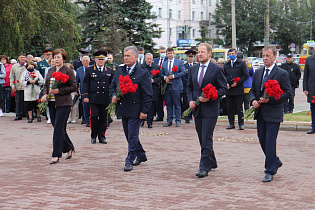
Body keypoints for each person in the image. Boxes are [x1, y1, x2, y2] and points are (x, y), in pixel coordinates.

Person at [249, 45, 291, 182]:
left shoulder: (281, 73)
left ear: (274, 56)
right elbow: (253, 91)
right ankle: (275, 160)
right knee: (262, 140)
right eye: (263, 55)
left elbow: (288, 93)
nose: (265, 58)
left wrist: (271, 99)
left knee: (270, 141)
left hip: (273, 112)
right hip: (260, 112)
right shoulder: (258, 72)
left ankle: (269, 170)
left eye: (268, 56)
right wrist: (253, 100)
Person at [187, 43, 227, 178]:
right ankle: (212, 160)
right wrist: (191, 100)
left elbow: (223, 88)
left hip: (210, 110)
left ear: (209, 54)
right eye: (198, 52)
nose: (199, 54)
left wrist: (210, 97)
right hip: (197, 109)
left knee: (206, 137)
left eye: (202, 52)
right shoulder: (193, 69)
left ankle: (204, 167)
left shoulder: (216, 69)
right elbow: (189, 88)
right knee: (201, 137)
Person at [110, 46, 153, 172]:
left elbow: (147, 94)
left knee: (132, 135)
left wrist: (144, 111)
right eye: (124, 56)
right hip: (123, 108)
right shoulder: (120, 70)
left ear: (135, 57)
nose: (126, 58)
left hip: (136, 109)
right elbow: (112, 86)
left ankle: (130, 159)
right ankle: (141, 154)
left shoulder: (143, 72)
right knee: (129, 135)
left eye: (128, 56)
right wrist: (113, 96)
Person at [41, 49, 77, 164]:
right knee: (57, 126)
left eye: (58, 57)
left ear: (63, 58)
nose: (56, 60)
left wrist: (59, 91)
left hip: (64, 103)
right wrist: (45, 94)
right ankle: (69, 147)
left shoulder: (68, 70)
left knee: (58, 128)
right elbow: (46, 85)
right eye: (55, 57)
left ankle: (56, 154)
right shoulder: (50, 70)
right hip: (51, 102)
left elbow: (73, 87)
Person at [82, 49, 114, 144]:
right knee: (94, 116)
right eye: (99, 59)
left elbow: (112, 84)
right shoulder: (89, 70)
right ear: (95, 60)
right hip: (93, 97)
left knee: (104, 117)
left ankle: (102, 136)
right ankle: (93, 135)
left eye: (102, 59)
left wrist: (113, 95)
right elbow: (85, 84)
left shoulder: (110, 70)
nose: (101, 61)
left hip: (104, 97)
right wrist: (85, 95)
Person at [223, 48, 249, 130]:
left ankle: (241, 124)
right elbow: (223, 76)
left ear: (236, 54)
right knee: (229, 108)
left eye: (232, 53)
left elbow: (246, 75)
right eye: (230, 54)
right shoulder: (226, 64)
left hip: (238, 89)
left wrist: (237, 83)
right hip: (229, 90)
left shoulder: (241, 63)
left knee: (239, 108)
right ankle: (231, 124)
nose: (231, 55)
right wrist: (226, 84)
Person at [161, 47, 185, 127]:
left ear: (173, 54)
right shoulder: (164, 63)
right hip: (167, 86)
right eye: (168, 53)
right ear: (166, 54)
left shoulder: (178, 62)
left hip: (176, 86)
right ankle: (169, 120)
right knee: (168, 105)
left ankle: (178, 120)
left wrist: (174, 76)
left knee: (177, 104)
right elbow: (161, 73)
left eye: (171, 53)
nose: (170, 55)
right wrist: (165, 78)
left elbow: (183, 72)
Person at [141, 53, 163, 128]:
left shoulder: (156, 67)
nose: (149, 60)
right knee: (142, 105)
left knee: (152, 106)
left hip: (153, 89)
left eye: (150, 59)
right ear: (145, 59)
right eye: (148, 59)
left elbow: (160, 78)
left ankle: (150, 122)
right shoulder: (141, 67)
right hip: (143, 90)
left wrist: (154, 80)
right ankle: (142, 121)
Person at [10, 53, 27, 120]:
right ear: (18, 58)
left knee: (27, 101)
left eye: (23, 57)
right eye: (21, 57)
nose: (22, 58)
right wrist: (12, 86)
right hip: (18, 86)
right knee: (19, 101)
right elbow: (11, 77)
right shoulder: (14, 66)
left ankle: (27, 113)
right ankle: (19, 114)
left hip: (27, 86)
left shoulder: (28, 65)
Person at [182, 50, 197, 123]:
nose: (190, 58)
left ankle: (194, 115)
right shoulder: (184, 66)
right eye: (189, 56)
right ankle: (187, 116)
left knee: (195, 101)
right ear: (186, 57)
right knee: (186, 101)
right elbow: (183, 76)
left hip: (196, 87)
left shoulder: (196, 65)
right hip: (187, 87)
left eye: (192, 56)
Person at [153, 46, 168, 121]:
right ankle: (159, 116)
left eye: (164, 52)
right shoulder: (155, 60)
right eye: (161, 52)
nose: (163, 53)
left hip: (166, 83)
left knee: (167, 100)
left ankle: (170, 116)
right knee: (158, 100)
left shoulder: (168, 60)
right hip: (157, 83)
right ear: (159, 52)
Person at [76, 55, 91, 127]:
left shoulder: (92, 68)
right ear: (81, 62)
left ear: (89, 62)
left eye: (87, 61)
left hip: (92, 91)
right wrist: (76, 90)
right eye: (84, 61)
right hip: (83, 91)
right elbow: (77, 81)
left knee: (92, 106)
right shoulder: (79, 70)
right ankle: (87, 121)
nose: (85, 62)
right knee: (85, 106)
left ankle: (92, 120)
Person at [303, 51, 315, 134]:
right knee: (313, 108)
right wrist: (305, 88)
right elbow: (305, 75)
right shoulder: (309, 60)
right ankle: (314, 126)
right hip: (312, 89)